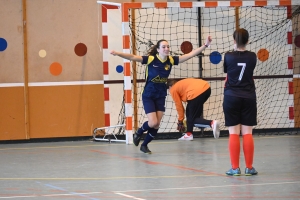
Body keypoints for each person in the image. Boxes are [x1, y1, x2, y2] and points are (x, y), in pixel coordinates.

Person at [110, 36, 212, 153]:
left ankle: (144, 145)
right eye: (163, 47)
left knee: (157, 125)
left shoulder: (171, 60)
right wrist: (118, 53)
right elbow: (133, 57)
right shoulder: (151, 59)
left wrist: (205, 45)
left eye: (168, 46)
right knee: (153, 122)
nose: (166, 48)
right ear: (158, 49)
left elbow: (189, 55)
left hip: (160, 95)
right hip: (148, 95)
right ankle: (138, 132)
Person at [223, 28, 258, 176]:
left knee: (233, 133)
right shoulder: (252, 56)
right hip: (248, 96)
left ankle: (235, 168)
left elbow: (227, 72)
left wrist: (234, 48)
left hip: (231, 96)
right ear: (248, 40)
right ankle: (249, 168)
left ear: (234, 40)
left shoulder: (228, 56)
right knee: (247, 133)